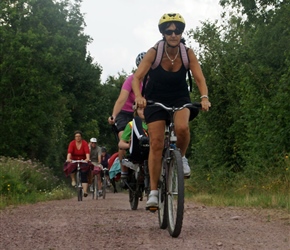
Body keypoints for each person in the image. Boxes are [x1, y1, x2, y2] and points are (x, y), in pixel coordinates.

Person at [131, 13, 211, 208]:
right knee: (156, 143)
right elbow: (136, 78)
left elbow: (199, 78)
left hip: (179, 98)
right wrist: (139, 97)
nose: (174, 35)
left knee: (182, 128)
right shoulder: (154, 52)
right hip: (155, 100)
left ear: (181, 33)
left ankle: (181, 158)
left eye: (177, 31)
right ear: (163, 33)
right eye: (169, 31)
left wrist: (204, 97)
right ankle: (154, 193)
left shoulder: (187, 53)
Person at [108, 52, 146, 179]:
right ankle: (124, 171)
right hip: (126, 112)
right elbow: (122, 99)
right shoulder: (131, 80)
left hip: (142, 111)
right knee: (123, 136)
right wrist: (114, 115)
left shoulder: (152, 80)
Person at [66, 130, 91, 197]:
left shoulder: (84, 143)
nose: (78, 138)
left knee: (84, 173)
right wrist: (68, 159)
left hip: (83, 160)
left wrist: (87, 158)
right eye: (76, 136)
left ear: (81, 137)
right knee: (70, 167)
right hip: (74, 160)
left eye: (79, 136)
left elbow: (87, 152)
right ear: (74, 137)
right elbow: (69, 152)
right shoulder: (72, 143)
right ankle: (73, 179)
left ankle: (85, 191)